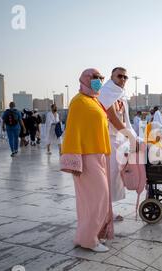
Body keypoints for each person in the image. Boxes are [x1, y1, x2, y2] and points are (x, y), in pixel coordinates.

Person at [60, 68, 123, 253]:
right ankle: (89, 240)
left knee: (92, 200)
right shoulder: (78, 102)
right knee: (99, 197)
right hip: (86, 157)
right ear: (85, 79)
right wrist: (74, 161)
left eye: (101, 78)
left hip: (99, 155)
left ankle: (85, 236)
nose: (99, 80)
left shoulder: (94, 101)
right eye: (95, 77)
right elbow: (72, 132)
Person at [98, 67, 138, 222]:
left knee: (114, 176)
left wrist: (131, 136)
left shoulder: (120, 94)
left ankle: (107, 210)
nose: (122, 79)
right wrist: (130, 136)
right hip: (108, 138)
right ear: (111, 77)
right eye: (119, 76)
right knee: (109, 175)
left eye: (125, 77)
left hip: (119, 139)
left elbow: (124, 120)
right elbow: (113, 117)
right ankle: (104, 212)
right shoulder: (107, 92)